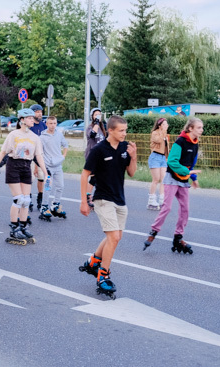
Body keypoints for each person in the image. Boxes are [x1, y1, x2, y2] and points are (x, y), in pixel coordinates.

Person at [79, 115, 137, 299]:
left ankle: (93, 261)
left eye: (125, 130)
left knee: (116, 237)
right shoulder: (99, 150)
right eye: (121, 130)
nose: (124, 133)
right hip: (103, 198)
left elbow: (132, 172)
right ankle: (103, 275)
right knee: (113, 236)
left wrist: (134, 156)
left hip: (120, 199)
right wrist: (83, 201)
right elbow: (84, 175)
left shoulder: (124, 147)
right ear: (110, 130)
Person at [143, 117, 204, 254]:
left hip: (183, 180)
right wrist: (188, 172)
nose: (202, 130)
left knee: (185, 209)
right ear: (190, 128)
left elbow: (191, 164)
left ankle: (178, 237)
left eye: (202, 127)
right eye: (199, 127)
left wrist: (193, 177)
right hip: (171, 178)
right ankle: (154, 231)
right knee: (167, 207)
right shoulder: (180, 142)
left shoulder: (195, 143)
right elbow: (171, 161)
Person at [0, 108, 48, 245]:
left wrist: (45, 171)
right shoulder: (14, 134)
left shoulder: (35, 137)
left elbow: (39, 156)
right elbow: (3, 152)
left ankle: (23, 226)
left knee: (26, 200)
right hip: (14, 165)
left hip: (26, 166)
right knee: (18, 199)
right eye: (29, 118)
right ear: (22, 120)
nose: (32, 120)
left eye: (32, 118)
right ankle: (13, 228)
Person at [38, 116, 69, 221]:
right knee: (48, 187)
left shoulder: (59, 135)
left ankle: (55, 205)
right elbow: (39, 153)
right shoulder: (42, 137)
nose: (53, 125)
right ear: (46, 124)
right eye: (50, 123)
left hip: (58, 165)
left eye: (54, 123)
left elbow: (65, 145)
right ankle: (44, 206)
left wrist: (63, 156)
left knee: (60, 186)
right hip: (48, 166)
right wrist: (41, 166)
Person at [84, 107, 106, 208]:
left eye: (99, 115)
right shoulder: (90, 127)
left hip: (101, 157)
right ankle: (88, 197)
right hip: (92, 156)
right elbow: (92, 135)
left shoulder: (102, 128)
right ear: (92, 116)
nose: (98, 116)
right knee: (94, 178)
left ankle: (99, 197)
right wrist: (96, 123)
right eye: (96, 114)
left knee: (100, 178)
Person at [147, 117, 169, 210]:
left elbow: (166, 147)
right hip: (155, 157)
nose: (166, 126)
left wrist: (167, 158)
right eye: (164, 124)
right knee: (156, 179)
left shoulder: (165, 135)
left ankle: (162, 199)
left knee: (163, 179)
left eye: (166, 124)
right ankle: (151, 200)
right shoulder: (155, 133)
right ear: (160, 125)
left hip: (163, 158)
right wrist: (163, 132)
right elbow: (158, 140)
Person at [29, 104, 46, 211]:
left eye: (41, 111)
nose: (40, 113)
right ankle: (28, 198)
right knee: (30, 178)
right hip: (31, 157)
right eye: (37, 112)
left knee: (41, 178)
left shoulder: (43, 126)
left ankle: (40, 198)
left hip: (41, 156)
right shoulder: (30, 126)